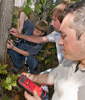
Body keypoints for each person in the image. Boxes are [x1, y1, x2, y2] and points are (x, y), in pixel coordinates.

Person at [23, 1, 85, 100]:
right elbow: (51, 77)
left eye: (64, 36)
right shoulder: (68, 62)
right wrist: (30, 77)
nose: (59, 42)